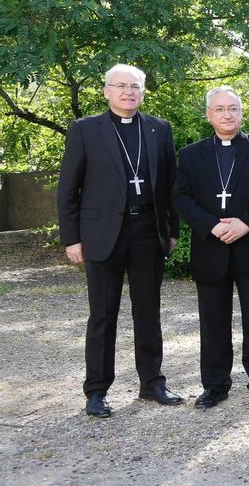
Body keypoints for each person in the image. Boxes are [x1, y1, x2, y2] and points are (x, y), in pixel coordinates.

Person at [57, 63, 182, 418]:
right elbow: (69, 188)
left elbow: (171, 185)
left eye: (136, 87)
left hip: (147, 232)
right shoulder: (85, 130)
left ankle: (152, 383)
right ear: (106, 91)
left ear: (143, 92)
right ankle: (96, 391)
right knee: (102, 315)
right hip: (101, 235)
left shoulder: (159, 129)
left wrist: (170, 231)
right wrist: (71, 238)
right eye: (121, 86)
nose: (129, 92)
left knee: (148, 312)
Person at [173, 86, 249, 409]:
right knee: (213, 320)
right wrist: (212, 225)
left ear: (241, 112)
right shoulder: (191, 155)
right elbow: (180, 196)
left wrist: (245, 223)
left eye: (232, 108)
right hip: (211, 246)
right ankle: (215, 385)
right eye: (219, 109)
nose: (227, 114)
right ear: (209, 115)